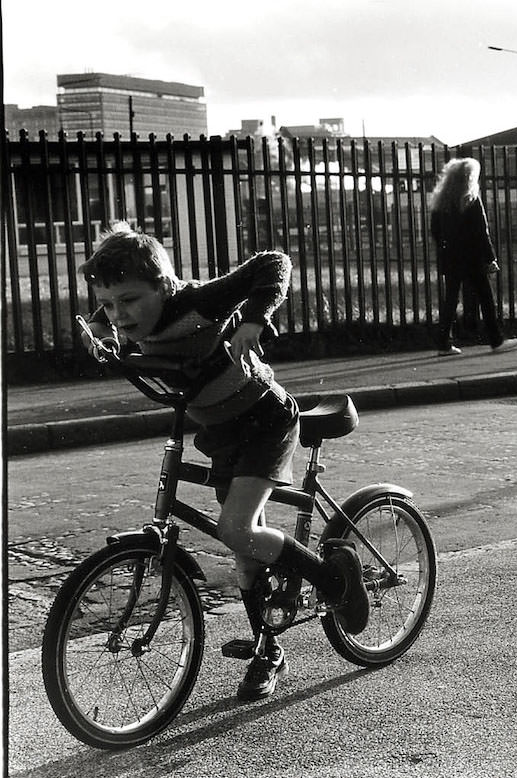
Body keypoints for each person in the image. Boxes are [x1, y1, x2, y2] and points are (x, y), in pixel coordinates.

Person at [79, 222, 371, 702]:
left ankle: (333, 576)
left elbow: (273, 263)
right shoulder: (123, 311)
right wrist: (97, 328)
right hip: (222, 432)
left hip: (266, 421)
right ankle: (268, 651)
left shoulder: (198, 301)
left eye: (128, 300)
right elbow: (105, 310)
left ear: (164, 286)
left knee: (236, 528)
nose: (120, 314)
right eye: (110, 304)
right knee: (244, 554)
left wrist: (256, 316)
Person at [429, 157, 517, 356]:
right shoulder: (471, 198)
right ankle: (496, 340)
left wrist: (446, 248)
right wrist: (490, 258)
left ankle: (443, 343)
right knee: (486, 298)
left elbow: (435, 230)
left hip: (451, 257)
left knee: (451, 299)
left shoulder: (441, 200)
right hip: (472, 258)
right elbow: (481, 232)